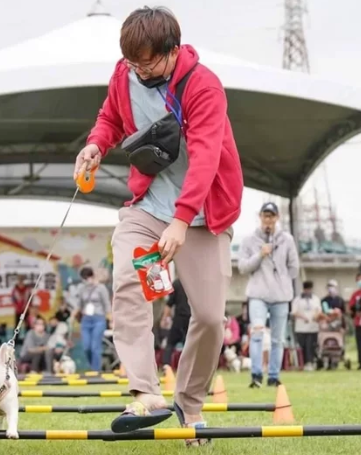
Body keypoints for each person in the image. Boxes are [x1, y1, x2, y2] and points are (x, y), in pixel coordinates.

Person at [73, 6, 243, 441]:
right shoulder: (124, 74)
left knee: (208, 317)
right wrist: (96, 145)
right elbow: (110, 118)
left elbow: (205, 156)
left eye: (148, 62)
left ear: (172, 51)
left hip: (203, 217)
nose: (140, 70)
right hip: (147, 209)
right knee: (132, 283)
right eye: (133, 62)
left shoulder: (203, 85)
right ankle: (146, 393)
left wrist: (183, 220)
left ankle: (189, 404)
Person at [238, 202, 300, 388]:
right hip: (258, 293)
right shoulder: (249, 240)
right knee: (257, 332)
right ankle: (256, 375)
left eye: (272, 216)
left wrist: (283, 280)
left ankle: (274, 375)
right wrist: (260, 255)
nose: (268, 220)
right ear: (260, 217)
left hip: (281, 296)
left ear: (277, 218)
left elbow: (294, 267)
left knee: (278, 338)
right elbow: (242, 267)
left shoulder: (287, 239)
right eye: (265, 215)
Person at [74, 267, 111, 372]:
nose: (87, 279)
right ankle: (92, 366)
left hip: (98, 319)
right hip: (86, 320)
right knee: (86, 347)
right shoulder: (82, 289)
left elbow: (107, 304)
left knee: (95, 346)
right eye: (84, 278)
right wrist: (74, 315)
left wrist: (110, 318)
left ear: (92, 276)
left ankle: (96, 370)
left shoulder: (101, 288)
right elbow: (79, 305)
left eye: (88, 277)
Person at [290, 281, 322, 371]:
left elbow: (319, 310)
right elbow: (294, 312)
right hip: (301, 327)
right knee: (302, 345)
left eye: (310, 289)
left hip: (313, 327)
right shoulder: (297, 299)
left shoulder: (315, 299)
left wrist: (315, 316)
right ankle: (302, 362)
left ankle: (310, 362)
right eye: (306, 289)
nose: (308, 291)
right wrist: (304, 317)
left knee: (311, 345)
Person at [160, 278, 190, 368]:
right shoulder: (196, 282)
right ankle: (189, 367)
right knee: (190, 344)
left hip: (179, 318)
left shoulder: (177, 283)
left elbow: (169, 303)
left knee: (170, 343)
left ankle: (166, 365)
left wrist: (164, 318)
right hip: (192, 319)